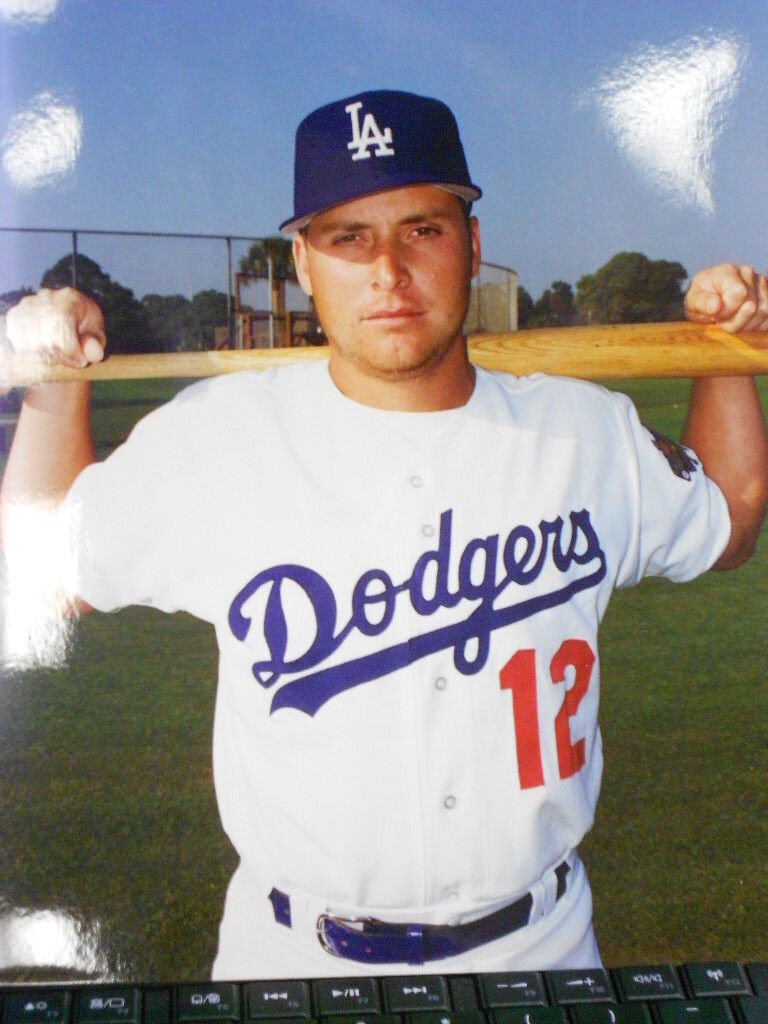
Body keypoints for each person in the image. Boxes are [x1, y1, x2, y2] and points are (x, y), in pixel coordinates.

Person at [1, 89, 767, 979]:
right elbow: (44, 566)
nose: (389, 272)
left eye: (423, 230)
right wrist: (53, 388)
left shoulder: (585, 433)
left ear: (473, 245)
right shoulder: (215, 439)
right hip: (290, 958)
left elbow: (729, 515)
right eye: (350, 238)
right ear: (304, 261)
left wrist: (725, 350)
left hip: (543, 947)